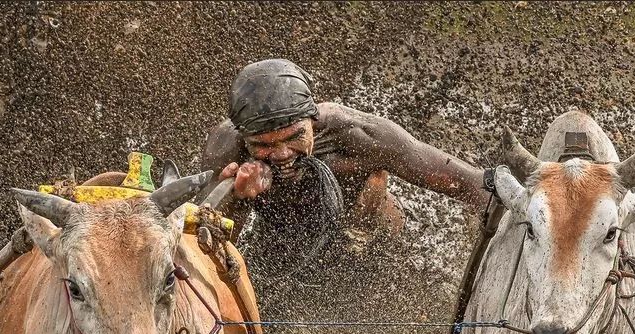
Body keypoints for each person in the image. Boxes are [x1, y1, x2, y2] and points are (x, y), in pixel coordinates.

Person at [196, 59, 487, 280]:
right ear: (244, 137)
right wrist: (235, 197)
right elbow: (201, 247)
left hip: (371, 243)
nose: (283, 154)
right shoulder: (226, 149)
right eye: (264, 146)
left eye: (295, 137)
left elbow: (466, 183)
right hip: (281, 251)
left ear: (313, 120)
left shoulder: (355, 134)